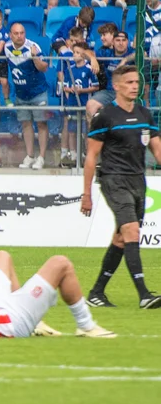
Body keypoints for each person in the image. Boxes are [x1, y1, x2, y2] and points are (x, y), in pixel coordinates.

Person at [81, 65, 161, 310]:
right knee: (131, 231)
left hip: (138, 180)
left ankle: (96, 293)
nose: (135, 86)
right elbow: (92, 156)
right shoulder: (105, 116)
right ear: (116, 86)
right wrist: (87, 194)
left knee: (120, 239)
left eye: (137, 82)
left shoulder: (145, 114)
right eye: (129, 82)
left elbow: (156, 148)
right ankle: (144, 294)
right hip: (114, 180)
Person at [2, 21, 50, 169]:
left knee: (41, 123)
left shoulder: (33, 47)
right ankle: (30, 155)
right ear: (10, 35)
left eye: (22, 33)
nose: (19, 36)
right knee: (26, 124)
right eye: (16, 33)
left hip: (38, 93)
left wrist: (35, 57)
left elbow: (44, 68)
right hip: (21, 94)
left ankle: (41, 157)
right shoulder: (6, 47)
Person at [59, 41, 98, 166]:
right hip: (72, 103)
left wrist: (82, 90)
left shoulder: (88, 69)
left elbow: (96, 87)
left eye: (77, 53)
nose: (74, 55)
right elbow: (65, 86)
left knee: (86, 130)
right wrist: (69, 89)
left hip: (84, 103)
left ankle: (87, 154)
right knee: (72, 129)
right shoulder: (70, 69)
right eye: (74, 52)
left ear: (83, 55)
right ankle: (73, 154)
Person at [88, 27, 133, 118]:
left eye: (123, 40)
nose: (121, 43)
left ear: (127, 42)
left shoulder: (132, 52)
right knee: (90, 106)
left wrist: (124, 60)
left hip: (127, 92)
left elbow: (143, 54)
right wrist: (92, 58)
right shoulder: (106, 53)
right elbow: (85, 52)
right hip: (109, 92)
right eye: (118, 40)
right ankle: (94, 132)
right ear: (113, 42)